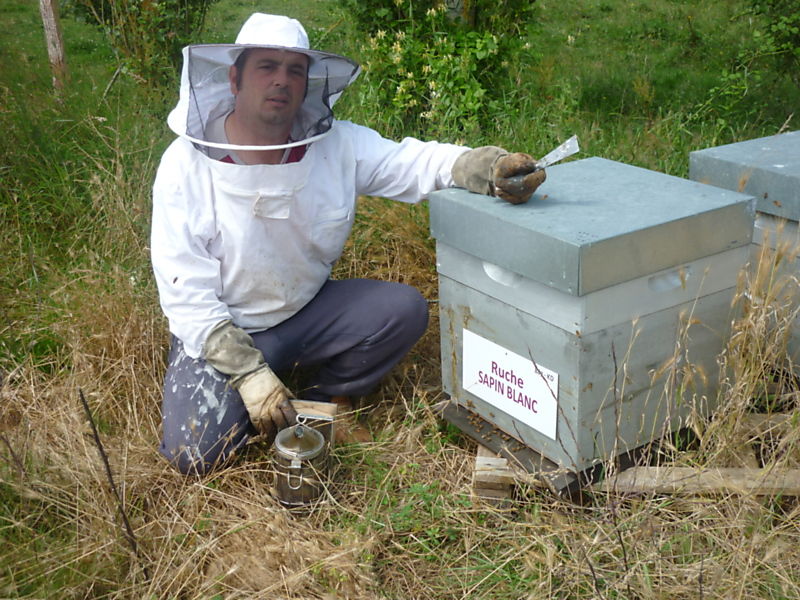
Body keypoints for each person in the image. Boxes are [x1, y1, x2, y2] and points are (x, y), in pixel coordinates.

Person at [151, 13, 546, 475]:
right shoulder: (184, 165)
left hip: (306, 312)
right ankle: (259, 385)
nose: (281, 81)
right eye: (266, 67)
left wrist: (482, 167)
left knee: (403, 309)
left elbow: (411, 161)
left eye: (294, 70)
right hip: (228, 328)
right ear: (234, 77)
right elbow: (185, 289)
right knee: (192, 455)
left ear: (307, 83)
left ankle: (322, 397)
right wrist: (246, 372)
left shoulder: (337, 145)